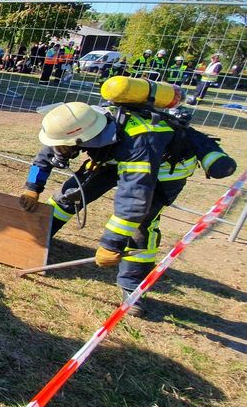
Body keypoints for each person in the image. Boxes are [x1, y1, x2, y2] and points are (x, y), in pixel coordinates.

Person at [17, 101, 236, 315]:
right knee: (69, 196)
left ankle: (132, 286)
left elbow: (134, 198)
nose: (61, 150)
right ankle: (38, 240)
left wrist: (111, 244)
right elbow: (47, 154)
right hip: (114, 158)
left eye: (65, 146)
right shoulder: (83, 120)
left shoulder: (138, 142)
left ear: (83, 139)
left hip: (161, 170)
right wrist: (32, 187)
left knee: (141, 225)